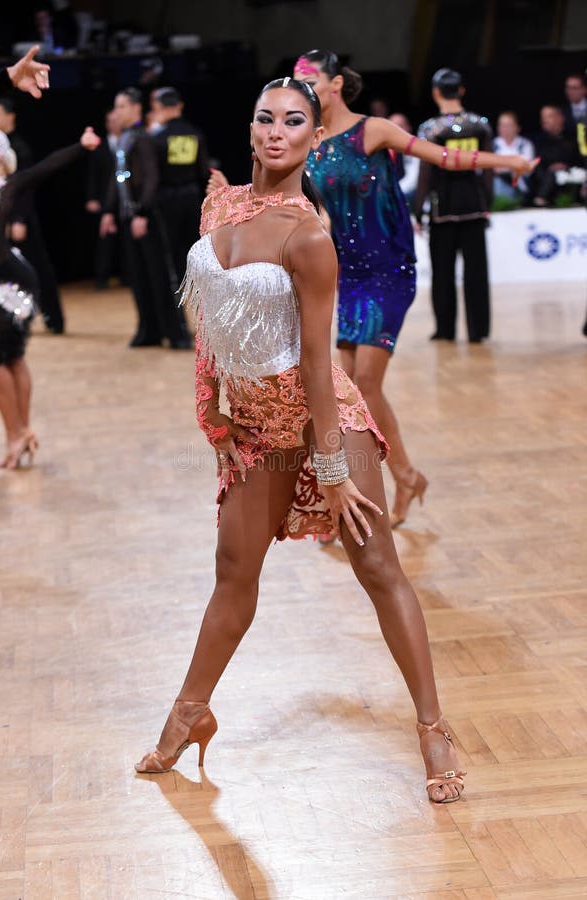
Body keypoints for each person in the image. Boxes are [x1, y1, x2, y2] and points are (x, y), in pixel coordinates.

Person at [134, 77, 468, 804]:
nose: (276, 131)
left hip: (324, 418)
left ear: (316, 139)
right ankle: (191, 712)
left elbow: (319, 366)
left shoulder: (307, 236)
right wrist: (213, 418)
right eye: (264, 118)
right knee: (233, 566)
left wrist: (334, 469)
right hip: (254, 425)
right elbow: (207, 324)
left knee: (376, 563)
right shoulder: (219, 204)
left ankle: (434, 726)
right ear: (251, 128)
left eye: (293, 122)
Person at [292, 51, 533, 527]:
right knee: (349, 394)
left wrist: (505, 159)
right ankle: (399, 478)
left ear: (335, 84)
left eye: (310, 80)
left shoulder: (372, 130)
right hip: (348, 275)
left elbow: (442, 156)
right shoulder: (311, 141)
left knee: (365, 383)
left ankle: (389, 482)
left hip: (389, 269)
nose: (304, 89)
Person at [0, 125, 100, 469]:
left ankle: (15, 434)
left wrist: (81, 146)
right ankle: (22, 432)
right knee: (8, 359)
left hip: (10, 282)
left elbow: (45, 168)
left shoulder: (5, 188)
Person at [100, 87, 190, 349]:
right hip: (129, 216)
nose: (117, 113)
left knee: (160, 275)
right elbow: (118, 178)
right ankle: (148, 330)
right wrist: (109, 211)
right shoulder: (124, 138)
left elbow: (151, 177)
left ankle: (176, 333)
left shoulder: (143, 138)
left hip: (146, 217)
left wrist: (143, 212)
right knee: (139, 276)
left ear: (136, 108)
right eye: (116, 107)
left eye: (122, 107)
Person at [415, 68, 494, 344]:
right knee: (476, 273)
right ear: (461, 90)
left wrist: (418, 209)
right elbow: (487, 169)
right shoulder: (480, 125)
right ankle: (478, 330)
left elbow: (425, 174)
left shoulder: (430, 129)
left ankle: (444, 330)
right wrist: (487, 203)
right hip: (473, 206)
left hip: (442, 209)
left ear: (436, 92)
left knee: (442, 273)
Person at [0, 96, 66, 333]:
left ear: (10, 116)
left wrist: (19, 220)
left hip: (20, 218)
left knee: (37, 267)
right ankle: (18, 316)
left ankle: (54, 317)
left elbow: (24, 189)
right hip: (0, 222)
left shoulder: (18, 148)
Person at [149, 86, 210, 294]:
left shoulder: (159, 137)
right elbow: (204, 170)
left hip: (167, 198)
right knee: (194, 245)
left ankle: (176, 290)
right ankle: (199, 289)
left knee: (171, 248)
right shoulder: (195, 134)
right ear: (180, 107)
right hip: (192, 195)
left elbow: (153, 173)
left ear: (161, 108)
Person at [85, 109, 122, 290]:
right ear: (107, 124)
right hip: (104, 199)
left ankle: (127, 276)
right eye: (111, 121)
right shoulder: (100, 147)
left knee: (126, 238)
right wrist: (92, 197)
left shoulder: (129, 142)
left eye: (118, 120)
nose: (115, 124)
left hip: (125, 200)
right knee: (105, 239)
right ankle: (102, 277)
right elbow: (93, 174)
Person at [531, 105, 583, 207]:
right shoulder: (538, 141)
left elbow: (580, 160)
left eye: (549, 116)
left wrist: (565, 166)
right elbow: (537, 164)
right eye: (543, 117)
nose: (545, 120)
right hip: (546, 181)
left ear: (560, 118)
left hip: (572, 180)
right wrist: (551, 169)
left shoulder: (573, 138)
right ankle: (541, 199)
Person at [492, 111, 534, 204]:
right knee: (497, 183)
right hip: (497, 183)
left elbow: (525, 168)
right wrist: (512, 165)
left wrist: (502, 166)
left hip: (519, 185)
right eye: (502, 125)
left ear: (517, 128)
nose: (505, 129)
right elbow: (490, 168)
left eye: (509, 125)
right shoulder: (493, 145)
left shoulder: (524, 144)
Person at [389, 112, 419, 205]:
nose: (396, 131)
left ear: (409, 128)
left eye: (400, 126)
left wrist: (391, 193)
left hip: (414, 205)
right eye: (392, 127)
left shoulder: (417, 149)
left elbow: (412, 181)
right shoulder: (383, 152)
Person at [562, 73, 587, 140]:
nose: (570, 92)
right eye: (568, 88)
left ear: (584, 89)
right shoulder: (562, 112)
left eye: (574, 88)